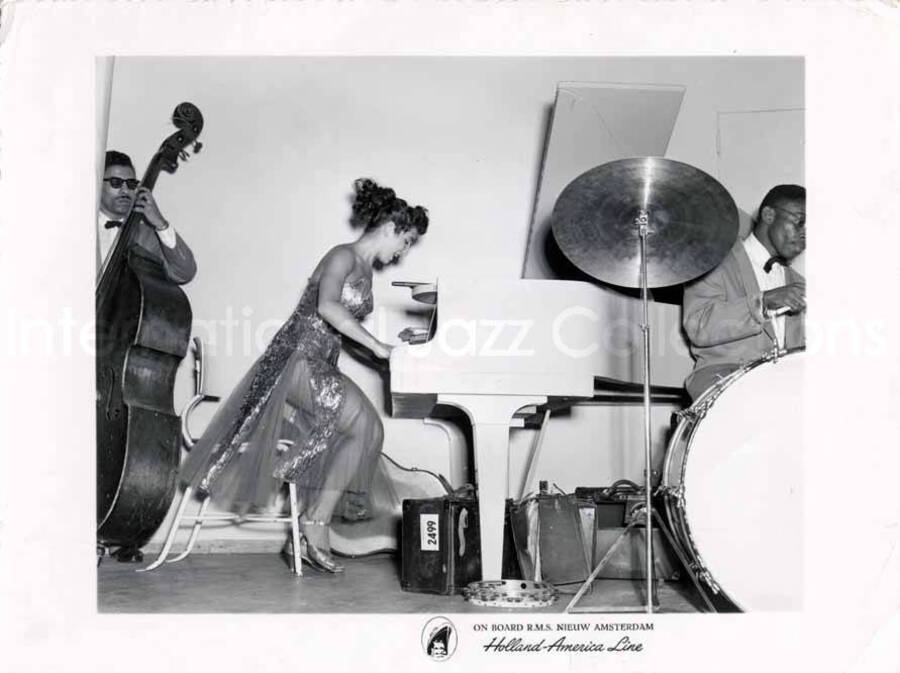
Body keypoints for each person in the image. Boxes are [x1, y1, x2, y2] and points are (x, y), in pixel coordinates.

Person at [179, 178, 428, 573]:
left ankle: (313, 521)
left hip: (319, 363)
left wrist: (390, 357)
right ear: (391, 227)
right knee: (363, 424)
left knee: (371, 431)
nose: (404, 251)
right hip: (294, 359)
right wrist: (379, 345)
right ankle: (313, 526)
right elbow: (328, 308)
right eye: (407, 240)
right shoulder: (342, 256)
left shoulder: (364, 269)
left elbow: (344, 330)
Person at [682, 184, 806, 401]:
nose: (805, 234)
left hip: (781, 395)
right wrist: (764, 303)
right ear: (768, 214)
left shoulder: (798, 282)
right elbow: (699, 325)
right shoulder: (712, 262)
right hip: (724, 388)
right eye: (800, 222)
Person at [97, 150, 196, 284]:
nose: (125, 191)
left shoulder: (147, 237)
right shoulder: (77, 229)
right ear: (97, 184)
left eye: (131, 184)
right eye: (116, 182)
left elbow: (185, 273)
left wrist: (161, 224)